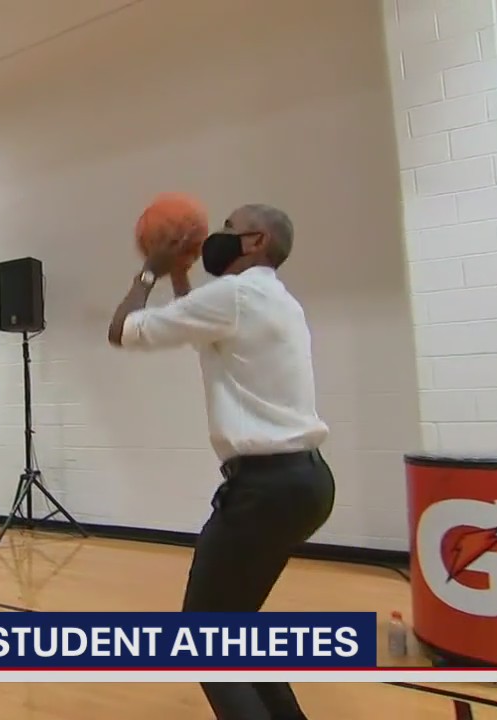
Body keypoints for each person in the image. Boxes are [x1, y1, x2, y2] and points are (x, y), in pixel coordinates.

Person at [107, 204, 334, 720]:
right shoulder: (269, 299)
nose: (217, 236)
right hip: (306, 482)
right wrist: (183, 275)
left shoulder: (235, 295)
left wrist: (152, 270)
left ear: (255, 241)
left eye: (228, 229)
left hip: (267, 488)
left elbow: (120, 330)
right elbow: (199, 325)